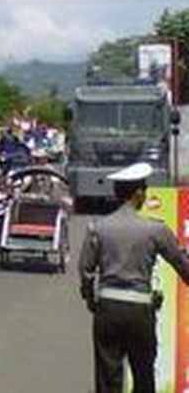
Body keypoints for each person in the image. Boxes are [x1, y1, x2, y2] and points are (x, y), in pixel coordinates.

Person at [78, 163, 189, 393]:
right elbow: (180, 263)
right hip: (140, 311)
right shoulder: (155, 230)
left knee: (108, 376)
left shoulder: (98, 227)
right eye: (144, 190)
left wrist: (91, 299)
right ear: (138, 193)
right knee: (143, 374)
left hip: (107, 308)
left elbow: (85, 270)